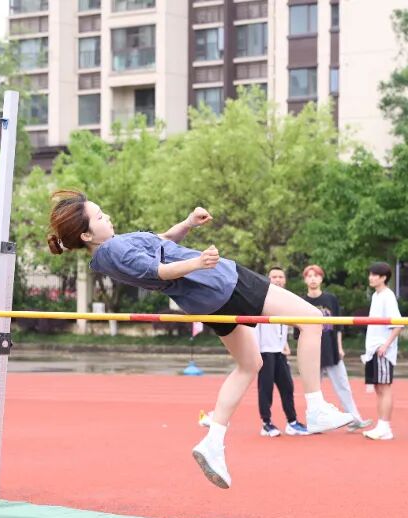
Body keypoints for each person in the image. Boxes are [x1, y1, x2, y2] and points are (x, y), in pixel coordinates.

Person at [45, 190, 352, 489]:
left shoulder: (108, 252)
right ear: (86, 235)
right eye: (100, 216)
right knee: (312, 319)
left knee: (249, 365)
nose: (108, 217)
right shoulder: (114, 250)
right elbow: (159, 270)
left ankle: (213, 443)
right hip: (222, 281)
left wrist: (188, 223)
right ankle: (315, 406)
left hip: (205, 300)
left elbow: (163, 241)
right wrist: (198, 263)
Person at [301, 264, 371, 431]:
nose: (313, 279)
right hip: (312, 351)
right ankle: (315, 421)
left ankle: (355, 419)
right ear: (305, 280)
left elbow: (338, 325)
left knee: (343, 385)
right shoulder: (302, 302)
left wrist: (339, 347)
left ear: (321, 278)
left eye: (316, 276)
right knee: (313, 390)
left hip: (331, 349)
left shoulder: (330, 299)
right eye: (309, 276)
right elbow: (299, 331)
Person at [255, 267, 310, 437]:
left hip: (279, 351)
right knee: (266, 389)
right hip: (264, 351)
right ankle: (266, 423)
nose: (278, 279)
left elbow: (282, 325)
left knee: (287, 387)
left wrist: (284, 343)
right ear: (268, 279)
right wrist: (255, 351)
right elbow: (254, 326)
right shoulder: (261, 297)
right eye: (274, 277)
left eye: (280, 277)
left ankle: (292, 422)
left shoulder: (286, 298)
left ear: (285, 280)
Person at [361, 262, 402, 440]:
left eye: (374, 275)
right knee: (378, 388)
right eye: (370, 274)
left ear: (383, 278)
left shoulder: (388, 296)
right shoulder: (376, 296)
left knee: (384, 388)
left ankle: (385, 426)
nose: (371, 278)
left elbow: (398, 324)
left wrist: (386, 345)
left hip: (382, 350)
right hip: (373, 349)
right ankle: (381, 425)